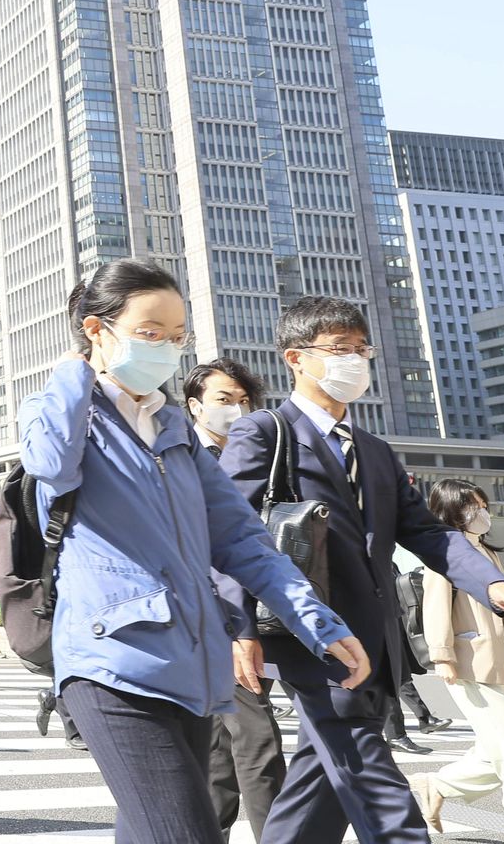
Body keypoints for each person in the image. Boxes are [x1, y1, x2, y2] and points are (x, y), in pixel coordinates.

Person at [23, 261, 371, 844]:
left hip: (192, 668)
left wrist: (316, 622)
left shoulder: (175, 431)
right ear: (96, 330)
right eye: (150, 333)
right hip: (112, 665)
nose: (166, 348)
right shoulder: (65, 413)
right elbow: (50, 466)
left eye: (177, 336)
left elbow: (243, 541)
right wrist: (71, 375)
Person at [220, 296, 504, 844]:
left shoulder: (374, 450)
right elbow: (228, 536)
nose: (355, 360)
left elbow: (426, 532)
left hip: (376, 638)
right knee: (373, 779)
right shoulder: (264, 434)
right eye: (339, 350)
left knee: (317, 785)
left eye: (360, 349)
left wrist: (494, 583)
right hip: (311, 638)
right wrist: (239, 628)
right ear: (296, 358)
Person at [414, 479, 504, 840]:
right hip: (468, 664)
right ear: (451, 509)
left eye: (482, 505)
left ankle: (437, 785)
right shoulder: (445, 550)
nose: (482, 513)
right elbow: (434, 607)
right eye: (471, 506)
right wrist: (443, 656)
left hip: (495, 663)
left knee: (498, 750)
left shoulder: (485, 551)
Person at [185, 355, 287, 844]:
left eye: (245, 401)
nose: (237, 409)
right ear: (194, 406)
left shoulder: (263, 460)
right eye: (224, 400)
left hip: (242, 617)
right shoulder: (181, 456)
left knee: (223, 750)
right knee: (255, 741)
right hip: (207, 621)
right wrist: (237, 630)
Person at [385, 563, 450, 755]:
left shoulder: (387, 561)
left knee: (399, 677)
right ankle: (399, 732)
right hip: (369, 626)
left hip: (392, 624)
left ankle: (417, 723)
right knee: (390, 680)